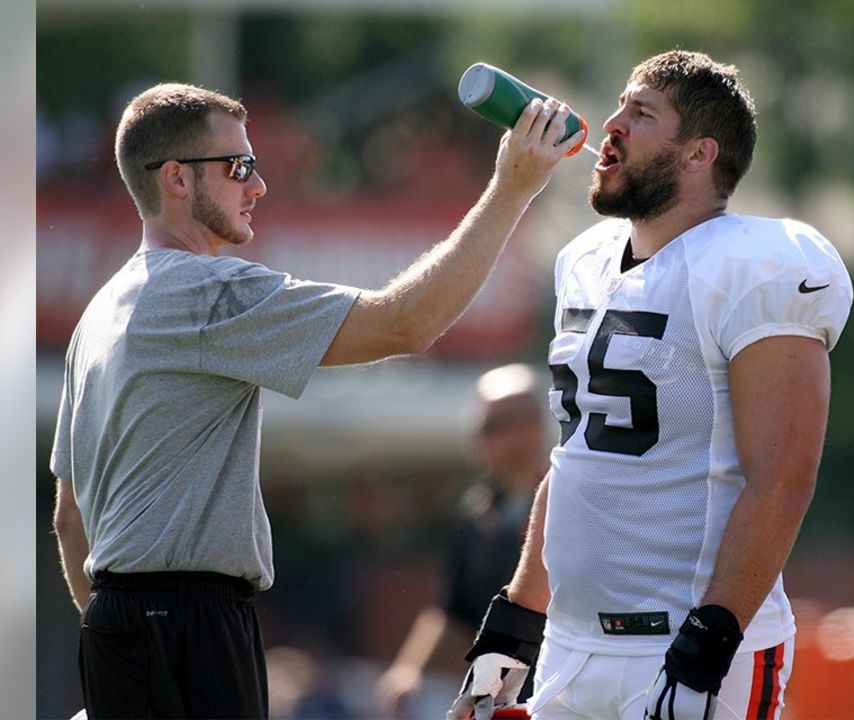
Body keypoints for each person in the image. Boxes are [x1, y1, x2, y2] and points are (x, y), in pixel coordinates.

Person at [49, 82, 583, 719]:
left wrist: (121, 640)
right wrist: (513, 188)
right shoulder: (204, 291)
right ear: (177, 180)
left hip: (121, 621)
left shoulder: (101, 311)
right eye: (239, 166)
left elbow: (69, 520)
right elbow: (406, 322)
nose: (258, 186)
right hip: (187, 621)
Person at [447, 50, 853, 720]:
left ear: (699, 154)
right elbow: (578, 457)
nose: (611, 124)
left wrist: (712, 635)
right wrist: (514, 627)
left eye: (641, 114)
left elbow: (782, 477)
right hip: (572, 648)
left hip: (686, 646)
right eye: (619, 106)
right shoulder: (584, 262)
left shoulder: (758, 264)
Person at [374, 363, 551, 717]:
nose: (480, 438)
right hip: (496, 695)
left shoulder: (570, 502)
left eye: (492, 427)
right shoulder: (479, 511)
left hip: (556, 687)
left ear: (533, 426)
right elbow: (452, 607)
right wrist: (409, 670)